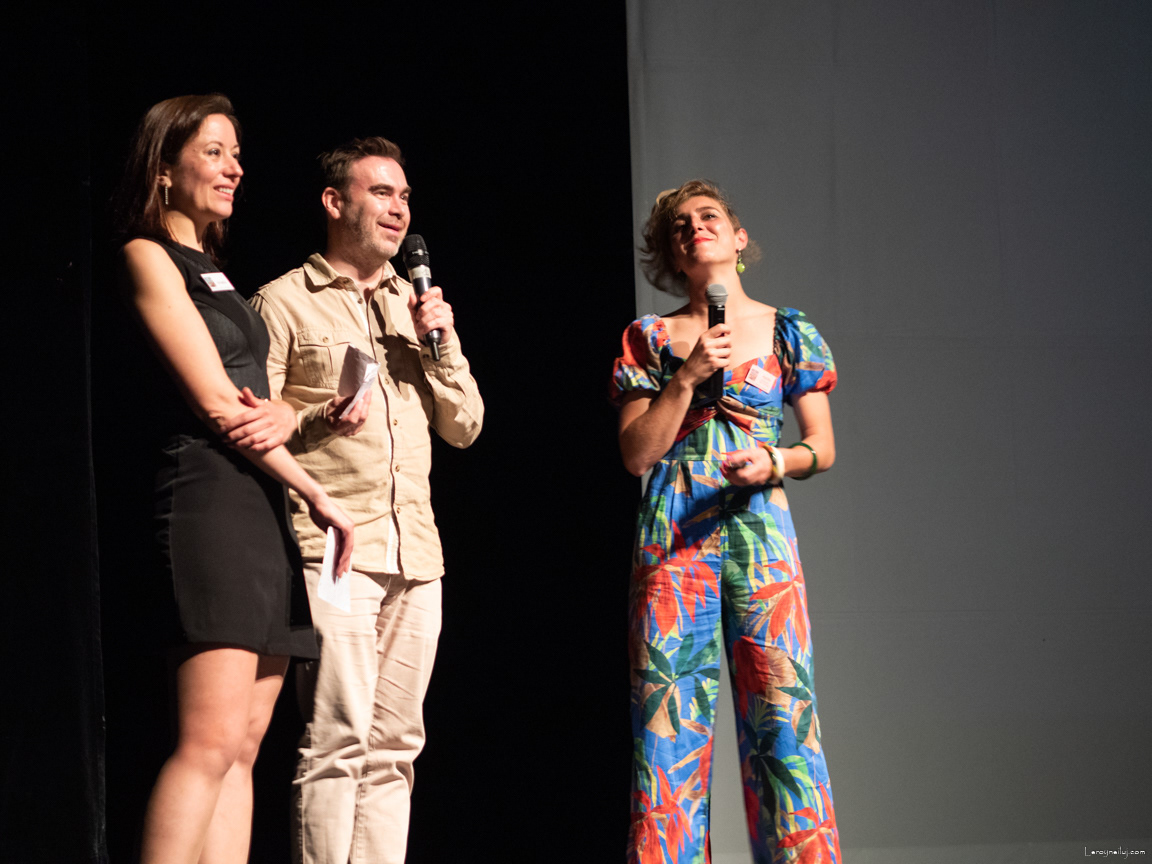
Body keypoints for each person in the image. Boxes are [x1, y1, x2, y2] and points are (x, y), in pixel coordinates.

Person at [218, 136, 483, 864]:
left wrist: (441, 342)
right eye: (381, 193)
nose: (399, 209)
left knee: (396, 747)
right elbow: (254, 422)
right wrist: (319, 418)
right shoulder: (282, 302)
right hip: (335, 547)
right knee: (337, 738)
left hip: (416, 553)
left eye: (404, 196)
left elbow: (465, 426)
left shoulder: (416, 305)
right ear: (335, 203)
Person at [112, 93, 354, 864]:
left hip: (259, 502)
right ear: (163, 167)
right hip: (209, 499)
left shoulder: (215, 270)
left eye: (237, 154)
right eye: (214, 152)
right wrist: (316, 491)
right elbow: (217, 403)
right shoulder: (148, 255)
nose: (234, 168)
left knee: (245, 746)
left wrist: (288, 414)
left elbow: (254, 397)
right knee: (210, 740)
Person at [612, 180, 842, 864]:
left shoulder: (786, 329)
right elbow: (636, 454)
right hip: (674, 531)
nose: (694, 228)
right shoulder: (650, 337)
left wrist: (775, 460)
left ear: (739, 239)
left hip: (760, 529)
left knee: (783, 717)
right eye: (679, 227)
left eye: (707, 216)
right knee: (668, 727)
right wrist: (685, 378)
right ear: (672, 255)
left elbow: (821, 448)